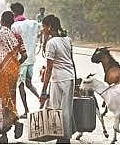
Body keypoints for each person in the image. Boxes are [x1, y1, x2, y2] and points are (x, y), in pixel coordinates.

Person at [0, 11, 27, 143]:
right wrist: (15, 66)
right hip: (12, 74)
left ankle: (13, 126)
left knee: (1, 104)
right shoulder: (16, 36)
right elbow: (24, 56)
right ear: (12, 22)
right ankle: (5, 134)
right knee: (10, 100)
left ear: (2, 21)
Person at [39, 15, 75, 144]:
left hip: (59, 79)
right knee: (66, 109)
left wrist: (43, 91)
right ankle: (65, 137)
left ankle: (62, 138)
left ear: (49, 27)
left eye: (43, 27)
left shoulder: (51, 43)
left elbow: (49, 68)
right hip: (69, 77)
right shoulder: (67, 39)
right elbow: (71, 60)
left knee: (57, 109)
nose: (42, 29)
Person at [10, 2, 41, 118]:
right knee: (29, 83)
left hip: (21, 60)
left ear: (15, 13)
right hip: (31, 58)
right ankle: (41, 99)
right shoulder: (34, 23)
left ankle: (26, 110)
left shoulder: (15, 26)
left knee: (20, 85)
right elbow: (41, 32)